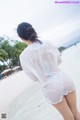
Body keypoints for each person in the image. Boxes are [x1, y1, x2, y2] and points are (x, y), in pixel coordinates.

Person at [17, 22, 80, 120]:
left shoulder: (23, 56)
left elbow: (33, 78)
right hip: (64, 78)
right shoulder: (48, 42)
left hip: (50, 86)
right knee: (75, 112)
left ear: (21, 38)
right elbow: (59, 60)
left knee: (68, 117)